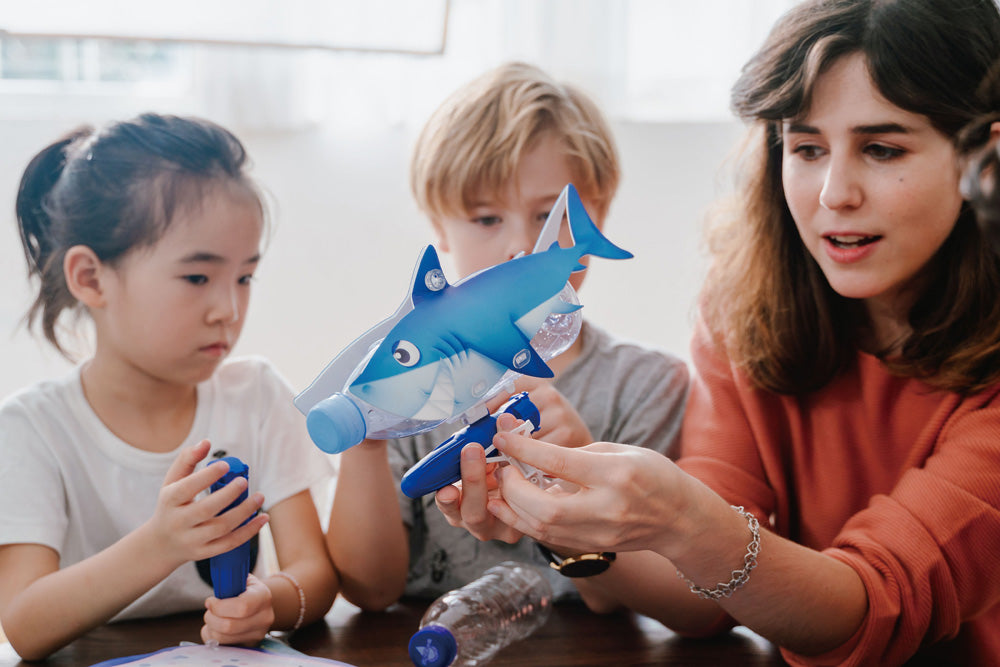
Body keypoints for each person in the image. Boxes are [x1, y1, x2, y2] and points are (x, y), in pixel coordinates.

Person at [441, 1, 1000, 664]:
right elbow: (707, 599)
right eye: (807, 148)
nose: (833, 193)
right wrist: (565, 519)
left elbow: (872, 605)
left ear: (984, 155)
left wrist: (686, 518)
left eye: (882, 149)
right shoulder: (746, 310)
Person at [326, 62, 689, 610]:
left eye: (548, 215)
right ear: (437, 227)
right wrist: (367, 444)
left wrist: (580, 473)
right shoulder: (408, 380)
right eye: (487, 219)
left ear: (597, 217)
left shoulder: (646, 385)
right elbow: (368, 589)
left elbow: (649, 600)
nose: (521, 246)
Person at [0, 113, 338, 660]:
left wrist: (267, 604)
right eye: (197, 278)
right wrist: (160, 544)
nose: (228, 311)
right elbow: (22, 624)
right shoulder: (31, 429)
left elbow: (314, 575)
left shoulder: (255, 394)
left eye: (245, 277)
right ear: (90, 277)